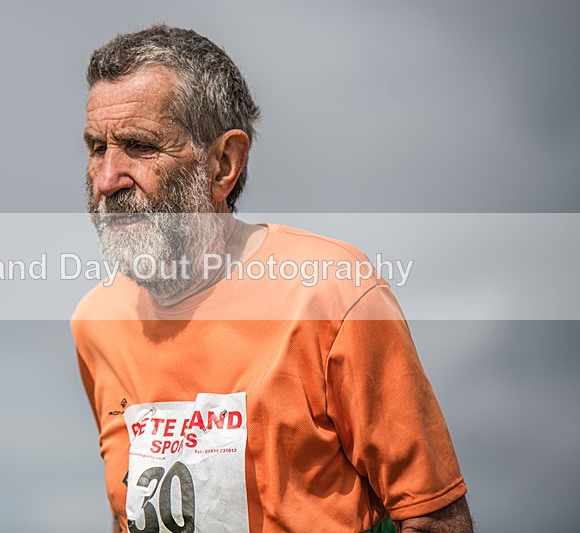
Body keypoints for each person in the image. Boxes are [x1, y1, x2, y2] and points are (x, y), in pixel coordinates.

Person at [72, 24, 472, 533]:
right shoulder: (95, 322)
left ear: (223, 165)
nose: (106, 180)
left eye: (138, 146)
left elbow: (435, 520)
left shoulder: (334, 296)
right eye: (96, 147)